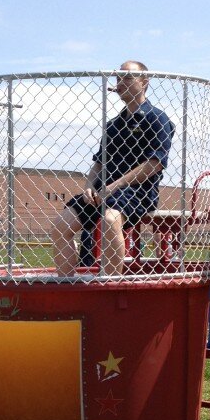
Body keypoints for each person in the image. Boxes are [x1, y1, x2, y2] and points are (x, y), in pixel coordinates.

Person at [51, 60, 174, 277]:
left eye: (128, 77)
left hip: (137, 191)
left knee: (110, 220)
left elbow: (154, 164)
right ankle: (66, 285)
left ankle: (109, 285)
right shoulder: (113, 125)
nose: (121, 82)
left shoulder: (157, 119)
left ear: (144, 82)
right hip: (103, 191)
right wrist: (89, 187)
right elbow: (99, 164)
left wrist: (116, 184)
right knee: (61, 226)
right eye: (118, 77)